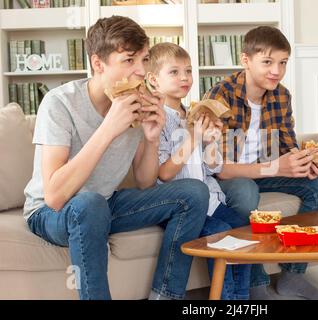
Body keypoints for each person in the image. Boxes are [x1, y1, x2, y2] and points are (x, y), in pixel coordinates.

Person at [23, 16, 209, 300]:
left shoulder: (139, 101)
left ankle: (166, 295)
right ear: (99, 63)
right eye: (129, 60)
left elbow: (146, 182)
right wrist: (109, 127)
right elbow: (54, 196)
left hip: (105, 203)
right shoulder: (60, 103)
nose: (141, 71)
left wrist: (151, 137)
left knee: (194, 192)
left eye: (144, 60)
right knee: (89, 202)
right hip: (52, 214)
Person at [205, 26, 318, 300]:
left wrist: (306, 161)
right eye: (267, 62)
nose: (276, 70)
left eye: (283, 63)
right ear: (246, 60)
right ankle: (256, 285)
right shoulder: (221, 95)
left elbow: (288, 146)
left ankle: (293, 276)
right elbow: (220, 167)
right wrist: (275, 167)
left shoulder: (281, 95)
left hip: (266, 171)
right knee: (244, 191)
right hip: (231, 178)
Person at [147, 42, 252, 300]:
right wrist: (194, 137)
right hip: (181, 206)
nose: (185, 77)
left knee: (245, 233)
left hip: (212, 200)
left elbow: (214, 167)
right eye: (174, 72)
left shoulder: (195, 113)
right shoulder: (156, 118)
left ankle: (241, 300)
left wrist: (211, 140)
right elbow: (164, 173)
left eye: (189, 71)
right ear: (153, 80)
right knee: (220, 235)